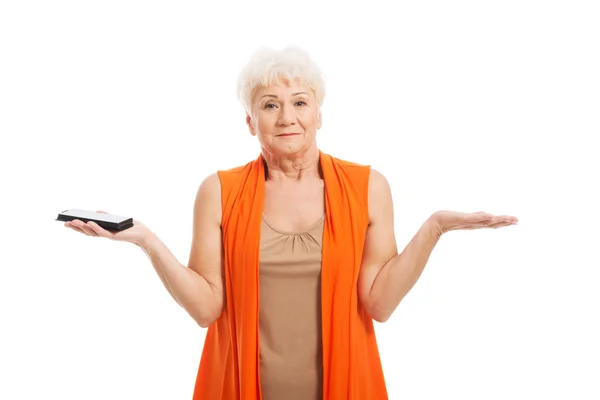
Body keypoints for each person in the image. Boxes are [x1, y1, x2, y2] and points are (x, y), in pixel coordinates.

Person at [64, 46, 518, 400]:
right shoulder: (218, 191)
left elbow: (379, 304)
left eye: (300, 102)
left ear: (319, 114)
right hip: (240, 388)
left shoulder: (367, 187)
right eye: (269, 105)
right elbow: (206, 309)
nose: (287, 117)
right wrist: (146, 240)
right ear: (250, 122)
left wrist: (434, 227)